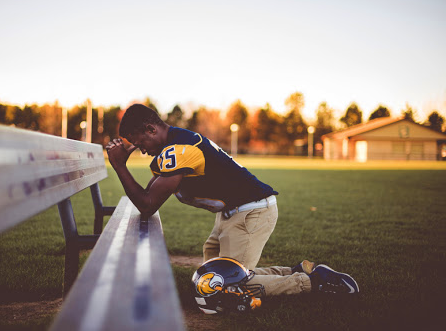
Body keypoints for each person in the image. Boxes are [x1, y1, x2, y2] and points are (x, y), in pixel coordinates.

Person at [105, 104, 359, 299]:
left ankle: (314, 282)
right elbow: (148, 197)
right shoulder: (174, 144)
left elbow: (148, 204)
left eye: (141, 143)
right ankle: (297, 271)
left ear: (151, 129)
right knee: (213, 278)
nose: (142, 149)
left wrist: (118, 166)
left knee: (228, 285)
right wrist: (122, 165)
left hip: (251, 212)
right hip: (233, 213)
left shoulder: (178, 149)